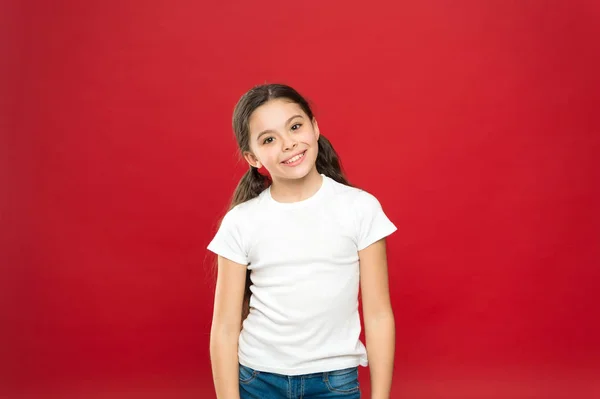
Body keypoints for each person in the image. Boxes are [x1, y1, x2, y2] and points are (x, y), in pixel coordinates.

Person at [208, 83, 397, 399]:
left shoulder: (360, 208)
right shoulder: (241, 222)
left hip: (333, 383)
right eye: (269, 139)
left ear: (315, 127)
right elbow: (225, 328)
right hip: (258, 381)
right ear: (253, 157)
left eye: (295, 126)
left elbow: (378, 315)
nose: (288, 144)